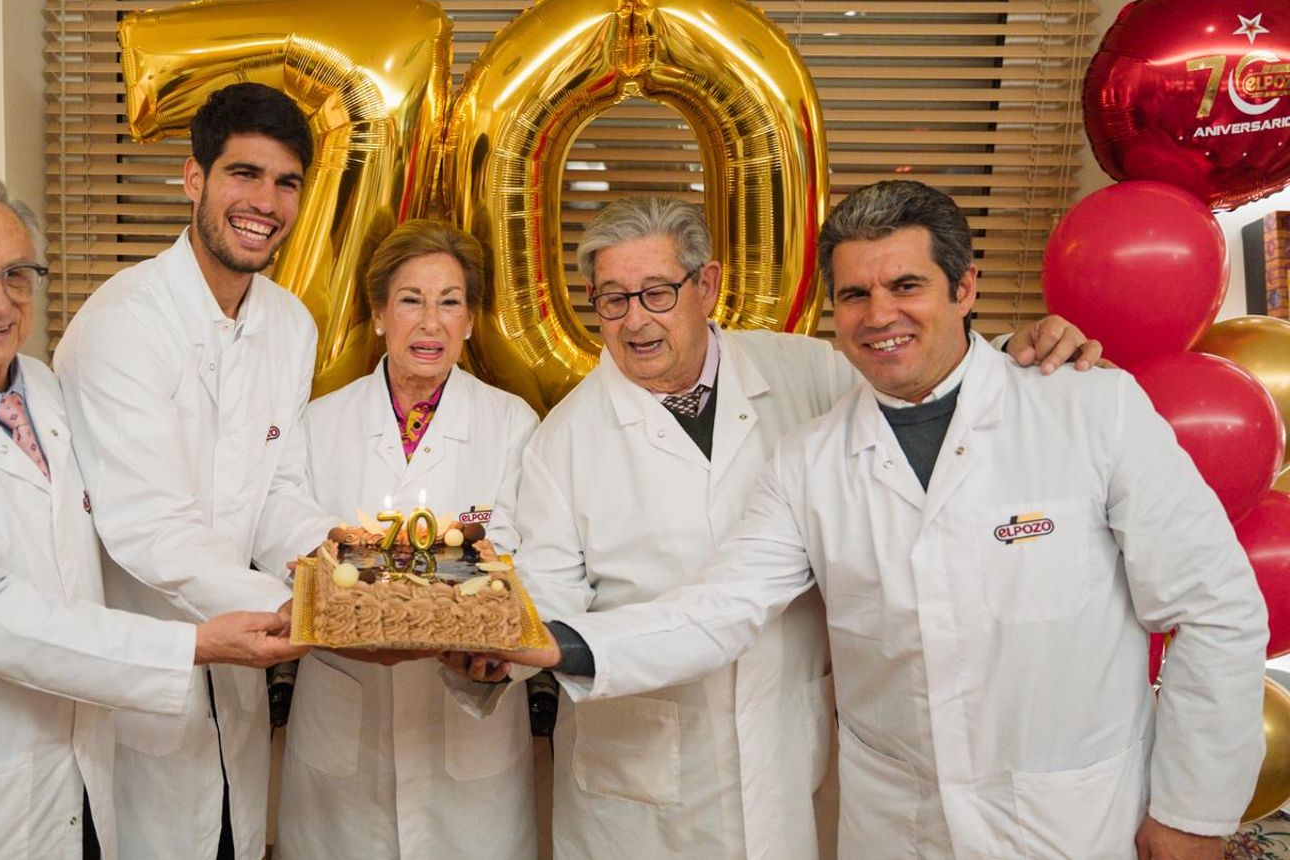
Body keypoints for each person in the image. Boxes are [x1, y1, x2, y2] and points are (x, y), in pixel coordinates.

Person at [479, 181, 1268, 859]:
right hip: (898, 819)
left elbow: (1217, 611)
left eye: (907, 286)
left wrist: (1192, 812)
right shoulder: (811, 456)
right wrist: (551, 642)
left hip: (1071, 815)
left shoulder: (1091, 408)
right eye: (855, 295)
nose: (879, 315)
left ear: (965, 287)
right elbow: (724, 606)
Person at [0, 173, 305, 859]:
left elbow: (131, 523)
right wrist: (196, 644)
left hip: (71, 779)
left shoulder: (43, 393)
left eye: (17, 274)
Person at [54, 83, 343, 859]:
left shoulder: (291, 323)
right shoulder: (122, 324)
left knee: (233, 838)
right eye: (243, 174)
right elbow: (148, 529)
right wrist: (319, 612)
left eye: (285, 182)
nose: (265, 202)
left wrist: (335, 560)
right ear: (194, 178)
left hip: (238, 679)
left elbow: (277, 487)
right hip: (144, 671)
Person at [275, 219, 541, 859]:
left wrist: (431, 583)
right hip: (344, 706)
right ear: (378, 315)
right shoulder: (321, 420)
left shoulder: (512, 424)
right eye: (411, 300)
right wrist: (346, 555)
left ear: (471, 320)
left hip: (467, 713)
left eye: (450, 301)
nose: (431, 323)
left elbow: (522, 538)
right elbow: (279, 512)